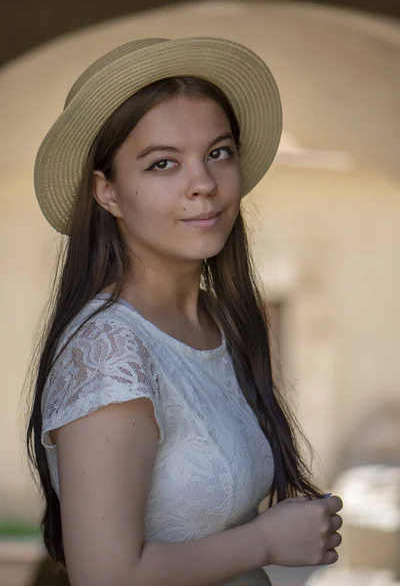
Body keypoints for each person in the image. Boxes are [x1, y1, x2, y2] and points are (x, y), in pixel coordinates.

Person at [26, 37, 343, 586]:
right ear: (108, 192)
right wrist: (267, 540)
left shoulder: (220, 323)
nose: (203, 184)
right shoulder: (111, 350)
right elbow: (104, 576)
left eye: (218, 153)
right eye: (163, 163)